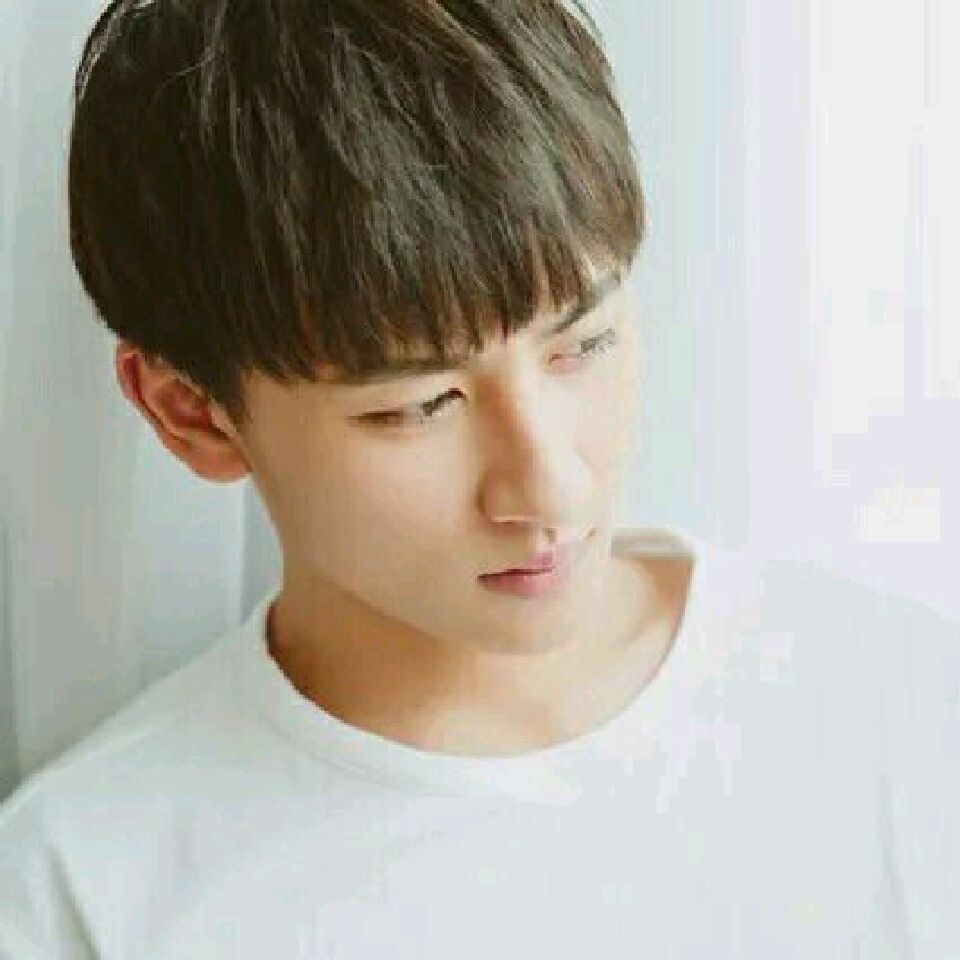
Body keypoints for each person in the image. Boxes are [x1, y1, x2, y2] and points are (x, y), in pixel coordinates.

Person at [1, 0, 957, 956]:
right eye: (421, 406)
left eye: (584, 345)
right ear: (193, 413)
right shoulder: (83, 893)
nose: (551, 487)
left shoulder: (901, 713)